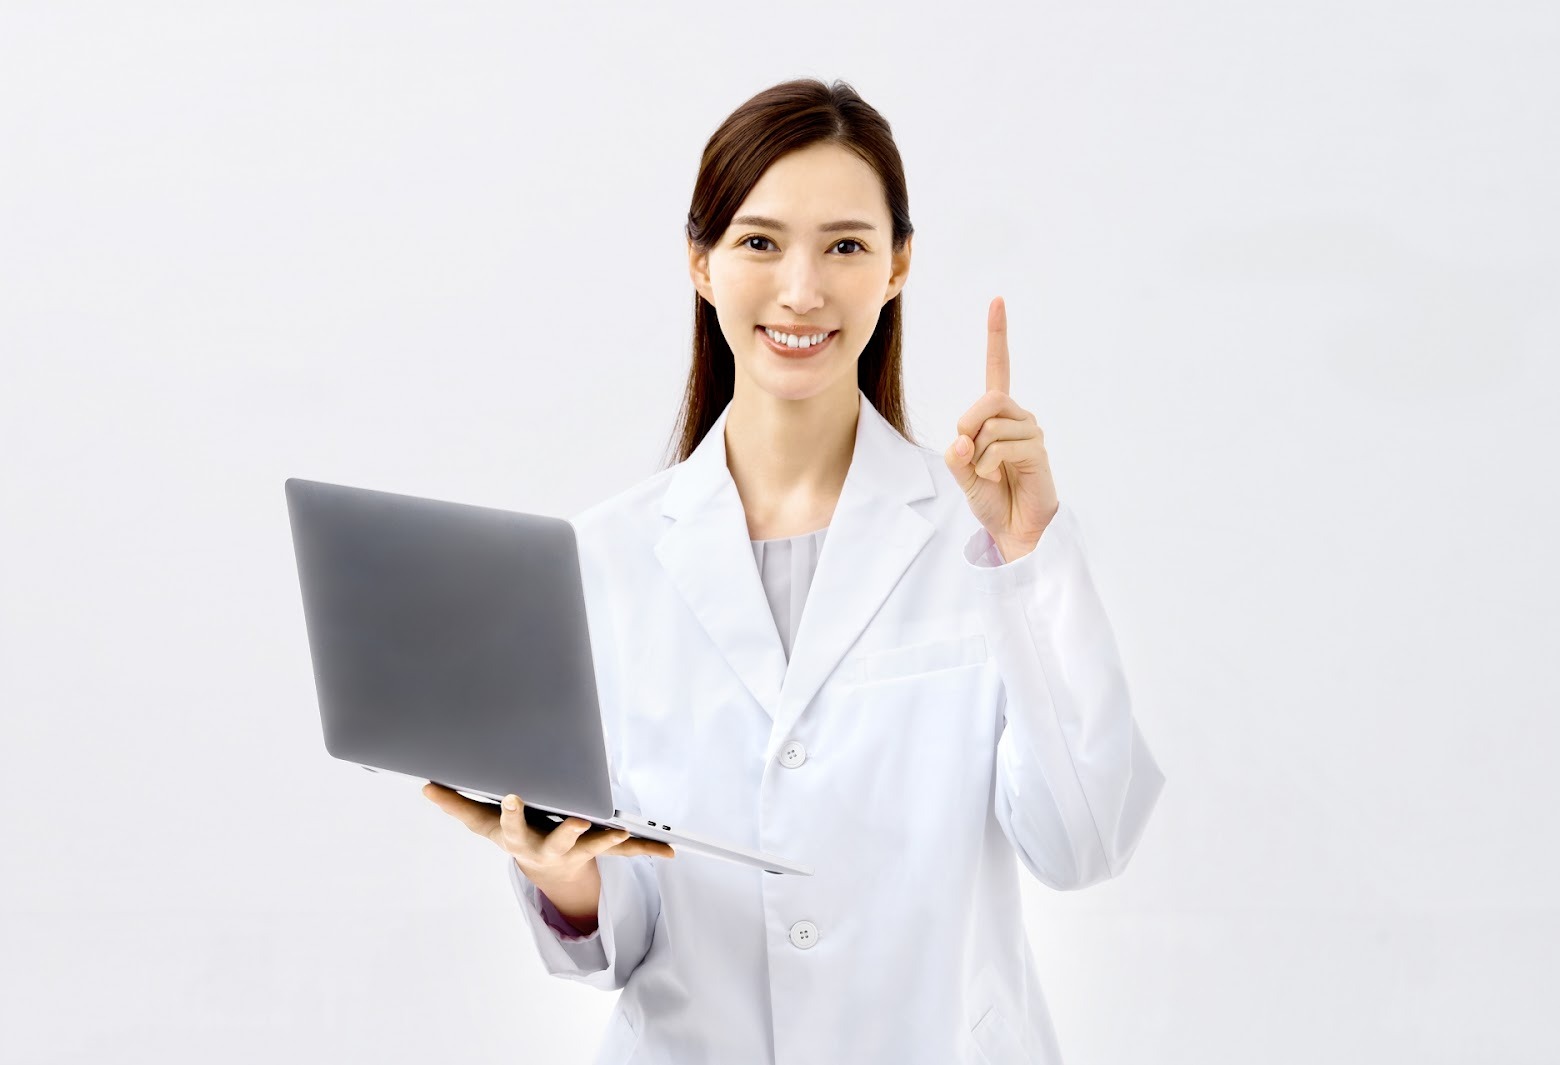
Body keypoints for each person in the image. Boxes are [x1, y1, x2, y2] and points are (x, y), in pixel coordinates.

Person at [424, 77, 1165, 1065]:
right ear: (701, 263)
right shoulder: (604, 559)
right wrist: (565, 876)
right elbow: (623, 939)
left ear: (899, 265)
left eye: (846, 246)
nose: (803, 290)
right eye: (760, 242)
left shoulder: (983, 541)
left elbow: (1084, 843)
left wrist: (1029, 560)